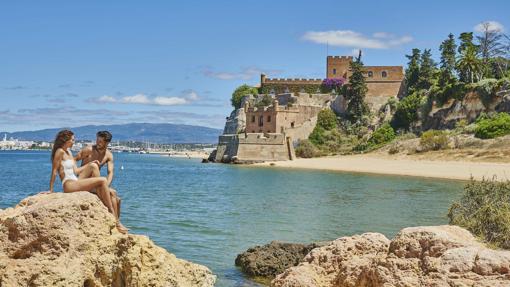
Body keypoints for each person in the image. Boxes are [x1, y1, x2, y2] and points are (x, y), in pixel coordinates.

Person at [45, 129, 127, 234]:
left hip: (75, 181)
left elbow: (76, 171)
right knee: (102, 180)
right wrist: (50, 190)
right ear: (66, 140)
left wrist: (91, 163)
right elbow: (54, 171)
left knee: (95, 168)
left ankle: (116, 222)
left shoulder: (69, 152)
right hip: (68, 184)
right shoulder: (59, 152)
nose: (74, 142)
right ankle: (111, 212)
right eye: (72, 140)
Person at [75, 131, 127, 232]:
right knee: (112, 193)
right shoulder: (88, 150)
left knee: (117, 199)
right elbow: (73, 160)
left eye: (101, 142)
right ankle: (117, 223)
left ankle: (116, 223)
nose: (97, 143)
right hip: (83, 182)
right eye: (97, 140)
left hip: (95, 184)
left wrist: (106, 185)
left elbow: (110, 172)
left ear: (107, 143)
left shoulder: (109, 155)